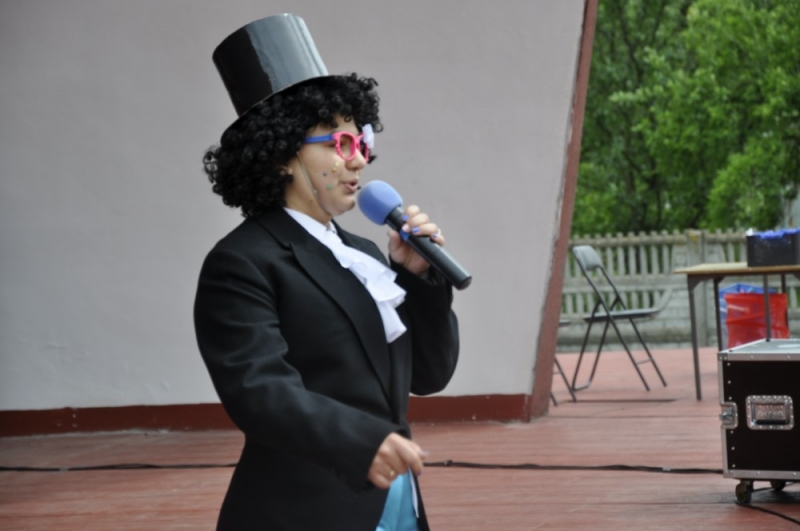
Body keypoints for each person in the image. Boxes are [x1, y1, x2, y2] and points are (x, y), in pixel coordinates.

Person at [194, 15, 460, 531]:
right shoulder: (242, 262)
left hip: (396, 501)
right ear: (281, 155)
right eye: (340, 144)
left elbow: (430, 375)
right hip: (305, 510)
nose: (359, 161)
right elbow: (260, 391)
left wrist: (421, 280)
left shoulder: (365, 254)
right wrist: (362, 440)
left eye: (362, 143)